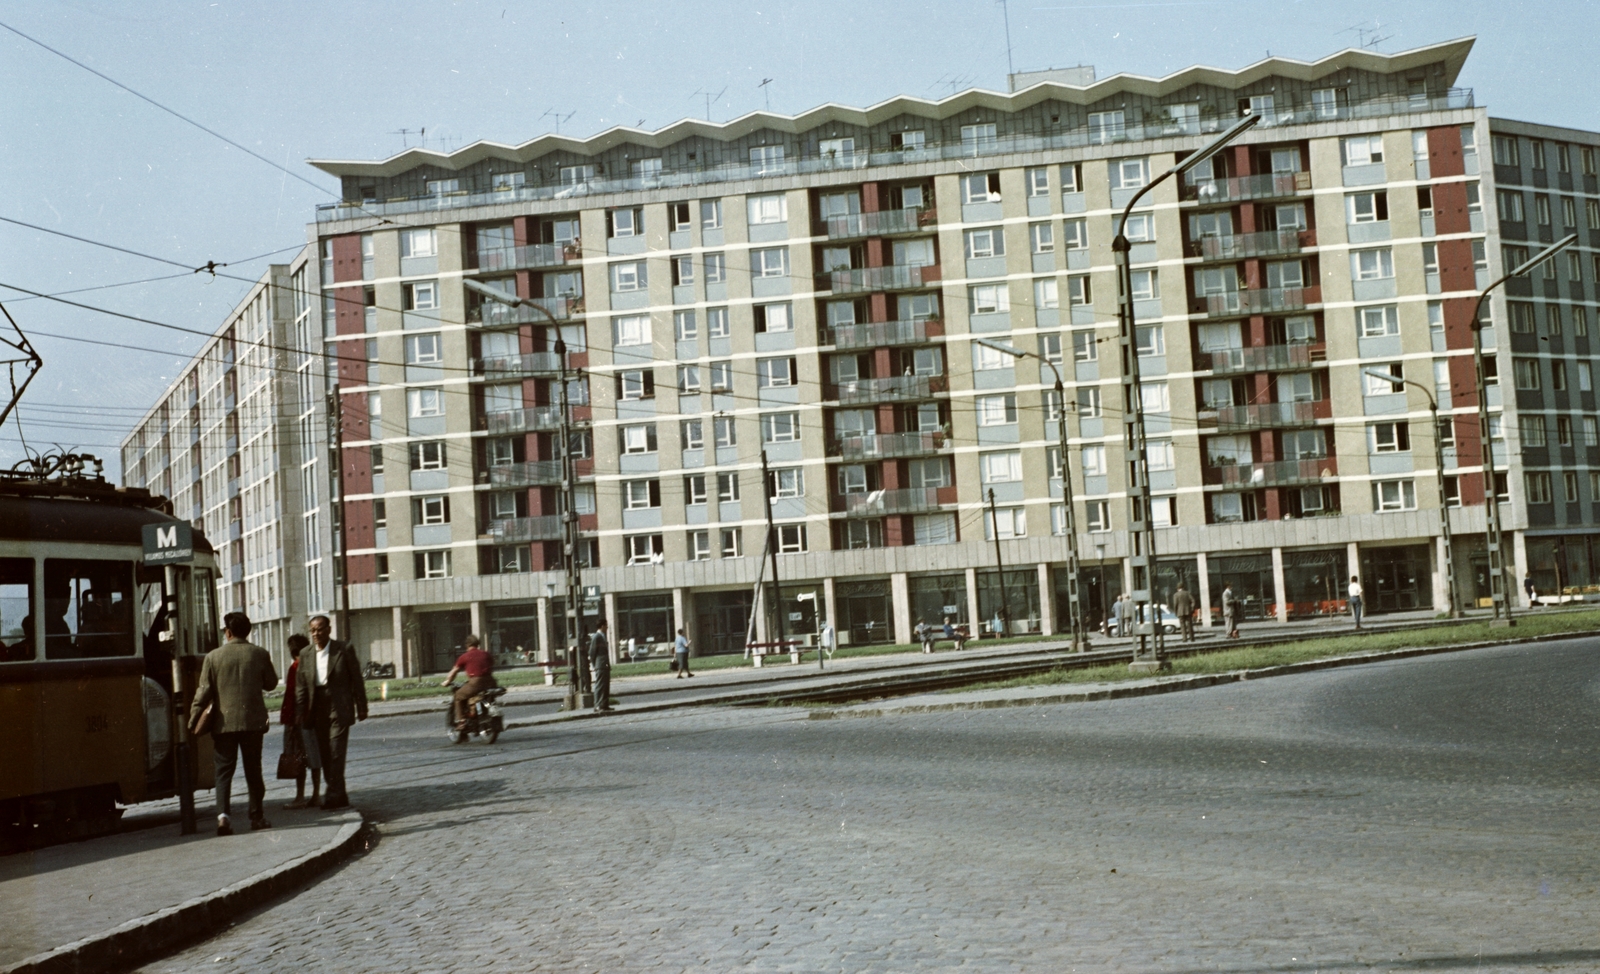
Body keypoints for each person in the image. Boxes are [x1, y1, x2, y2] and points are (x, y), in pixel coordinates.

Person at [190, 611, 278, 836]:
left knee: (223, 772)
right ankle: (257, 816)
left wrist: (193, 719)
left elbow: (203, 692)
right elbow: (271, 683)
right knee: (253, 771)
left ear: (227, 632)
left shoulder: (213, 657)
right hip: (253, 724)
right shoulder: (260, 654)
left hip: (224, 724)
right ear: (247, 631)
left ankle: (223, 818)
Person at [295, 614, 368, 810]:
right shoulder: (306, 653)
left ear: (328, 629)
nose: (316, 634)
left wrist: (361, 706)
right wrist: (301, 709)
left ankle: (332, 794)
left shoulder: (343, 649)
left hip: (339, 705)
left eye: (320, 629)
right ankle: (340, 794)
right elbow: (301, 685)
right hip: (316, 706)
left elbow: (356, 679)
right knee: (325, 752)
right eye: (312, 630)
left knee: (336, 750)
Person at [280, 633, 321, 809]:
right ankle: (316, 794)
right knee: (314, 758)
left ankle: (300, 796)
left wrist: (289, 723)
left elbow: (292, 697)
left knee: (298, 758)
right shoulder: (313, 665)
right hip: (313, 718)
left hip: (297, 721)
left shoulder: (295, 667)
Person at [440, 634, 497, 729]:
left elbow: (453, 672)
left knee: (458, 696)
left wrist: (447, 681)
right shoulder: (486, 654)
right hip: (491, 681)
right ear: (477, 644)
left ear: (467, 645)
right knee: (487, 697)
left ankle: (461, 721)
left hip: (476, 682)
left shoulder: (464, 656)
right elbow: (491, 664)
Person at [589, 620, 613, 712]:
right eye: (606, 625)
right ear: (602, 626)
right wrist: (594, 665)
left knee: (606, 685)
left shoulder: (602, 636)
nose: (607, 627)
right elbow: (592, 652)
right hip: (600, 664)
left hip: (605, 664)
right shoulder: (597, 636)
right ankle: (598, 705)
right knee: (599, 685)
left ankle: (604, 704)